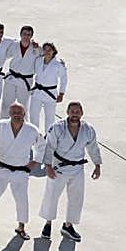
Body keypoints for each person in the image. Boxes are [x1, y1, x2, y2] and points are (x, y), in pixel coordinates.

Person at [38, 102, 102, 242]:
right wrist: (47, 165)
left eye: (77, 111)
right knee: (52, 195)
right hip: (58, 167)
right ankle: (48, 223)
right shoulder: (57, 127)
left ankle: (68, 225)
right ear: (67, 112)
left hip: (77, 168)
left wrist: (97, 164)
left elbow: (93, 147)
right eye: (72, 111)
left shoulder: (88, 129)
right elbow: (49, 147)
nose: (74, 114)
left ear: (81, 113)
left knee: (76, 198)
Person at [0, 102, 40, 239]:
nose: (17, 115)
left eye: (20, 112)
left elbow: (41, 147)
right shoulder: (0, 126)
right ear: (10, 114)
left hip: (21, 170)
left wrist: (35, 162)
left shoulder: (32, 130)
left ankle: (21, 226)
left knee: (22, 199)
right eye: (14, 112)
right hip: (1, 168)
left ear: (25, 114)